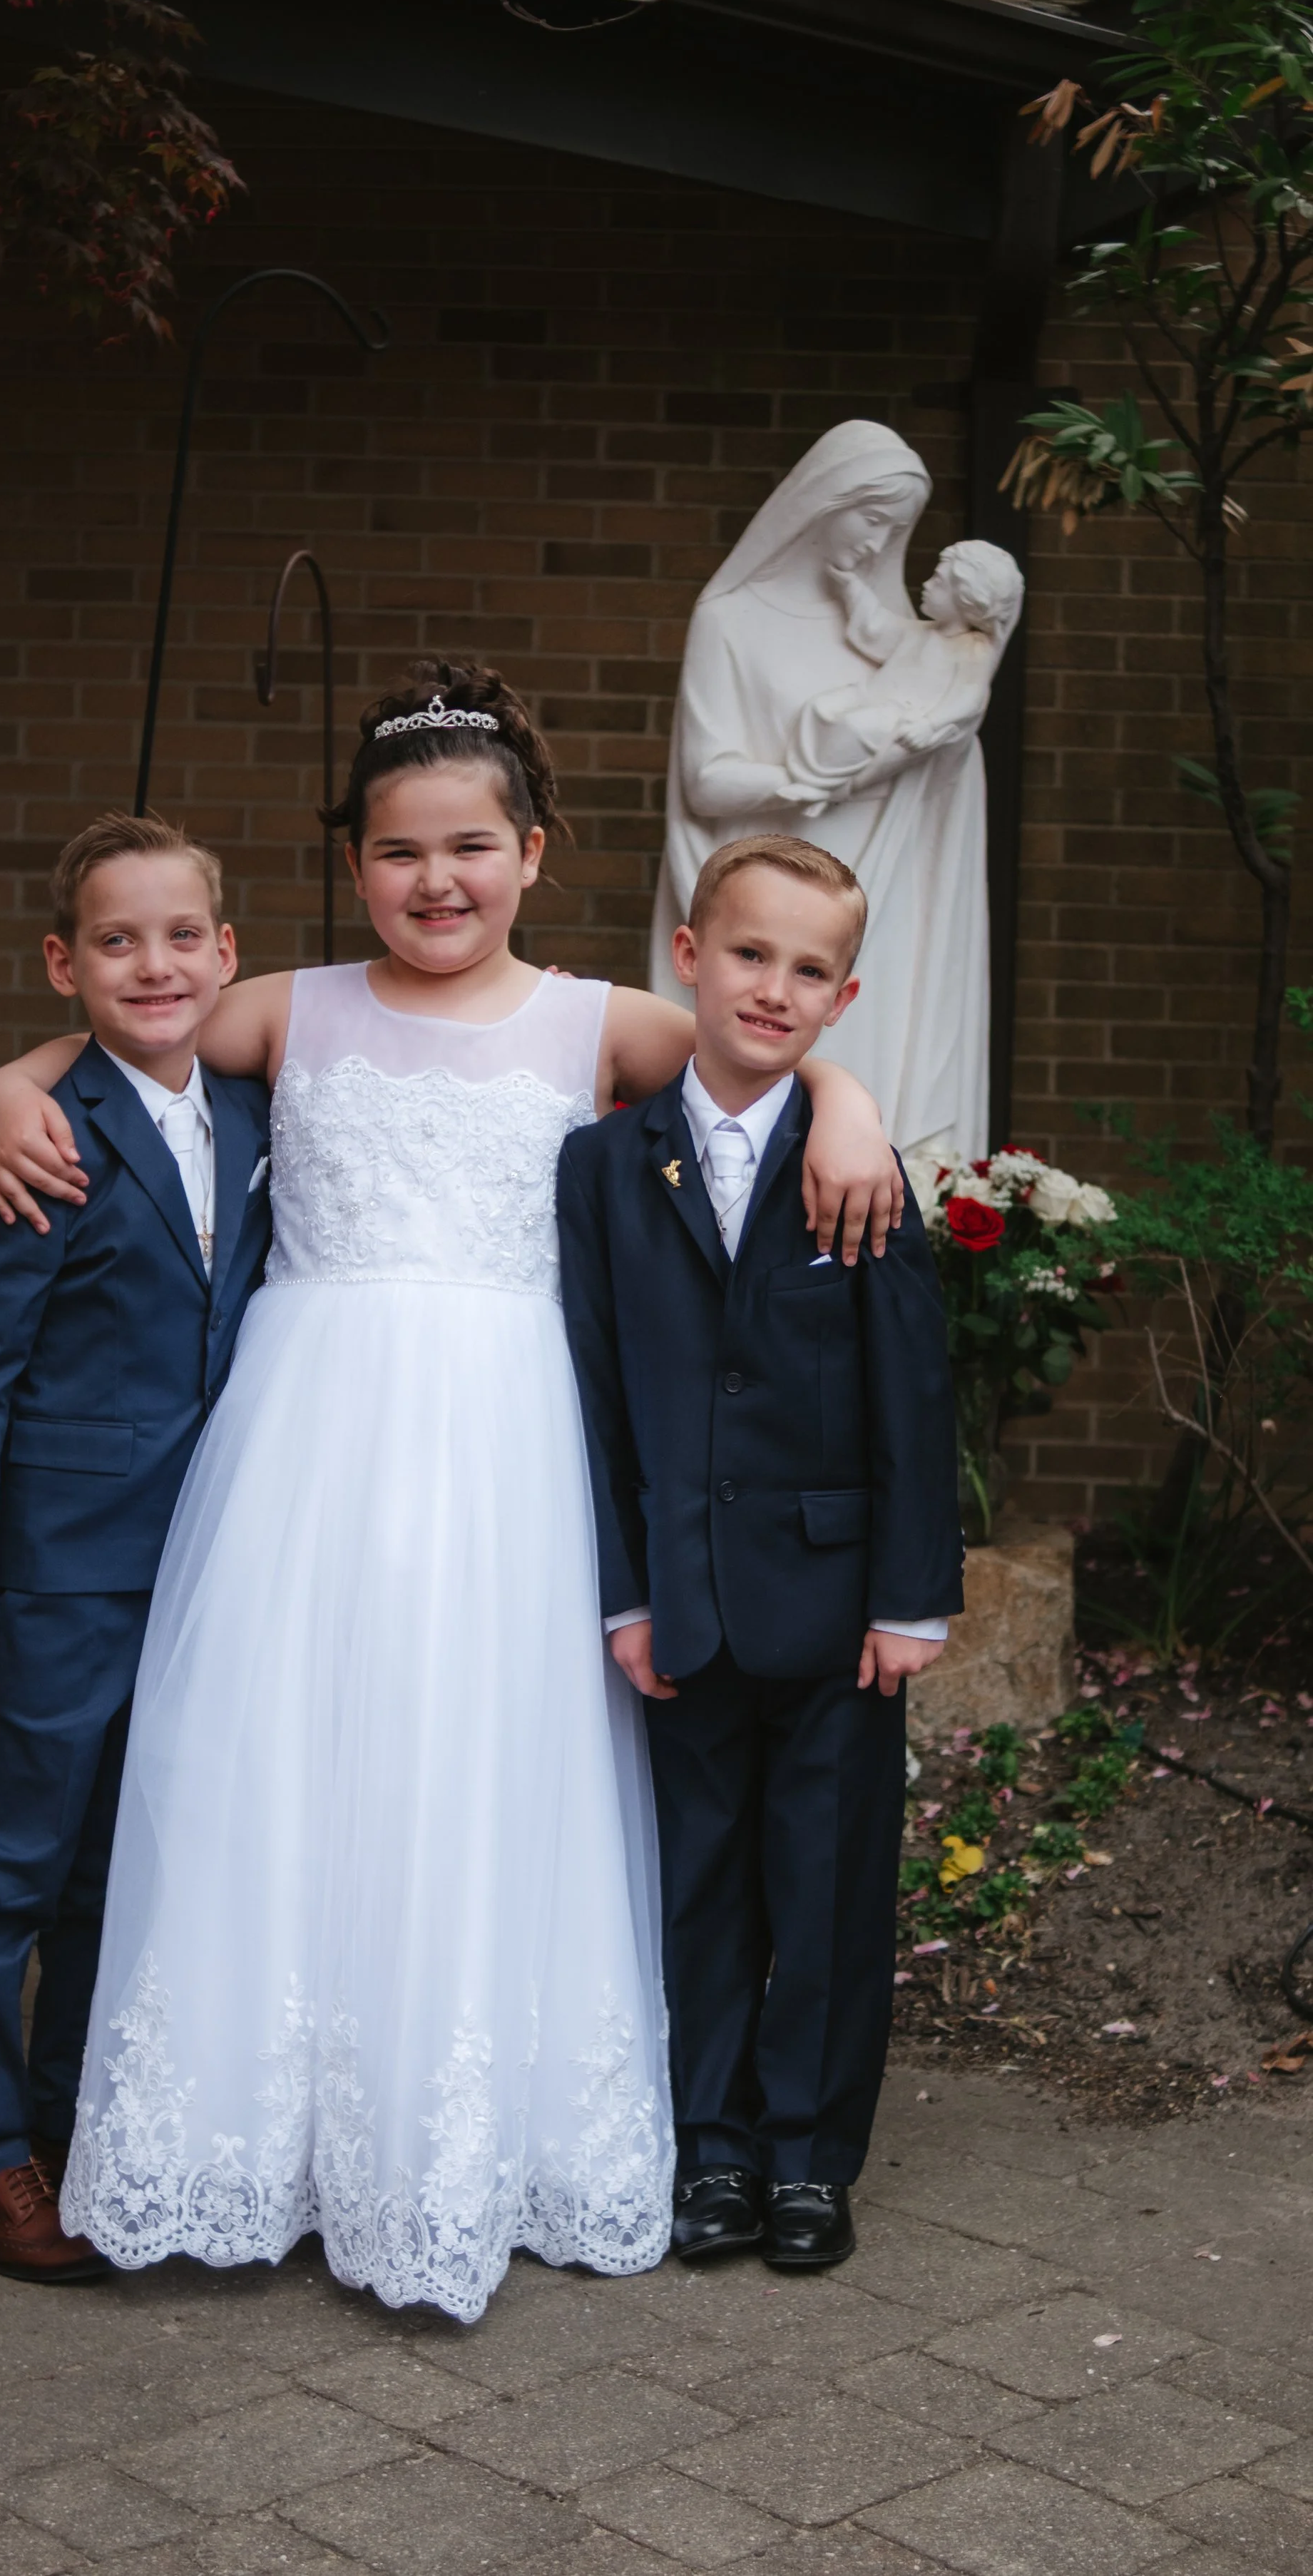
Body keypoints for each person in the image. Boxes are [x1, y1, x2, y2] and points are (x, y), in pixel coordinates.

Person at [0, 663, 901, 2324]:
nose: (437, 880)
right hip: (304, 1451)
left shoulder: (590, 1019)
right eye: (399, 851)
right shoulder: (296, 1007)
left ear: (534, 851)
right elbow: (132, 1034)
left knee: (478, 1762)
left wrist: (855, 1100)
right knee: (281, 1758)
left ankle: (455, 2129)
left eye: (473, 845)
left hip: (503, 1451)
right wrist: (4, 1084)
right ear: (352, 865)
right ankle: (270, 2136)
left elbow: (761, 1045)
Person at [558, 833, 961, 2276]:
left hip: (837, 1601)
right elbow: (594, 1397)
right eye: (748, 954)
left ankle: (807, 2156)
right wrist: (620, 1589)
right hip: (679, 1603)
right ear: (685, 955)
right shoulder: (604, 1168)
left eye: (808, 970)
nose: (772, 989)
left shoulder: (855, 1169)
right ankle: (709, 2149)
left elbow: (912, 1396)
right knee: (695, 1886)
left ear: (841, 999)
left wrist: (912, 1595)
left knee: (829, 1887)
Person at [0, 814, 273, 2283]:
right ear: (64, 964)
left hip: (202, 1572)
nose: (154, 964)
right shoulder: (47, 1133)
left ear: (226, 953)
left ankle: (63, 2129)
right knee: (6, 1869)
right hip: (52, 1574)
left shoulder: (251, 1112)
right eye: (115, 941)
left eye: (183, 936)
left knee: (115, 1873)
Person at [651, 419, 1003, 1162]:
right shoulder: (730, 622)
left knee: (876, 1086)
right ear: (821, 503)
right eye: (871, 517)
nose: (880, 543)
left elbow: (946, 747)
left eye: (898, 527)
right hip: (767, 897)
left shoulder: (916, 641)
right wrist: (805, 780)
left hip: (890, 893)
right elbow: (705, 779)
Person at [786, 541, 1026, 799]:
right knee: (820, 708)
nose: (926, 585)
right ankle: (809, 775)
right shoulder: (920, 631)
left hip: (902, 717)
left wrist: (930, 724)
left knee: (855, 727)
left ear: (966, 597)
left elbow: (971, 699)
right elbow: (876, 629)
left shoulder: (973, 649)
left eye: (938, 581)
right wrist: (851, 588)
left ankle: (828, 788)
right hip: (871, 695)